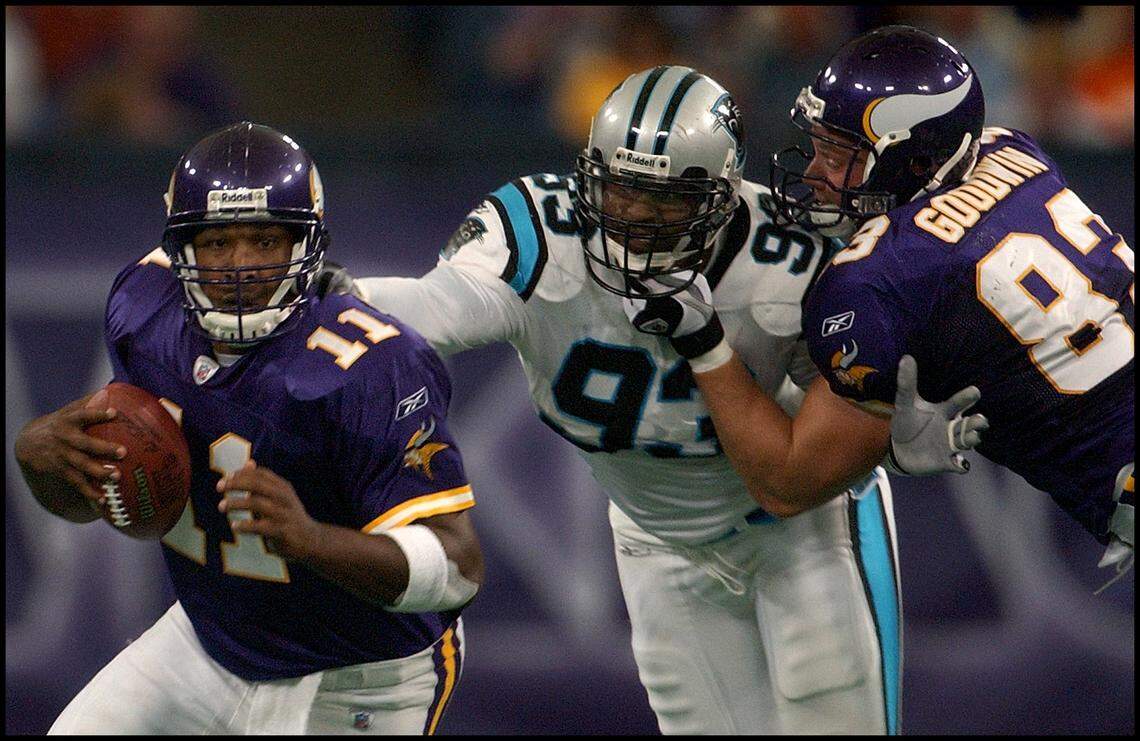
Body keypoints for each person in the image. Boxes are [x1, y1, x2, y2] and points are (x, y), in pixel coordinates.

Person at [325, 66, 979, 734]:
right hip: (655, 541)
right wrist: (348, 302)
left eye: (664, 201)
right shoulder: (541, 236)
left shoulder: (791, 257)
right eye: (619, 190)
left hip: (805, 535)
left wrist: (885, 440)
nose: (634, 220)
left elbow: (822, 441)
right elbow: (442, 305)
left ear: (723, 198)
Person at [13, 122, 484, 734]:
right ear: (181, 249)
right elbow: (103, 504)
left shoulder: (372, 367)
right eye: (216, 242)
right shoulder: (142, 309)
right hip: (208, 643)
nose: (240, 267)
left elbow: (458, 568)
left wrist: (313, 540)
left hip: (360, 674)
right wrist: (40, 459)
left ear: (305, 244)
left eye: (264, 240)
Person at [636, 26, 1132, 588]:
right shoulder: (1010, 148)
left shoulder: (868, 286)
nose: (813, 174)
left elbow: (785, 483)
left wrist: (705, 344)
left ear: (916, 162)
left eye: (838, 153)